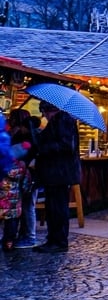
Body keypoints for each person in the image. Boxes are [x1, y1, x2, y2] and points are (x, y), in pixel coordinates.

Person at [33, 102, 80, 253]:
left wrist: (44, 148)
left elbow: (66, 145)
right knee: (53, 207)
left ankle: (58, 241)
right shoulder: (59, 120)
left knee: (57, 207)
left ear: (50, 110)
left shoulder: (63, 120)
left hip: (59, 172)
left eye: (44, 112)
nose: (43, 116)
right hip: (55, 172)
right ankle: (54, 239)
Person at [1, 112, 33, 251]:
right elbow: (24, 178)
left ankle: (11, 239)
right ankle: (9, 241)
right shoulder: (18, 163)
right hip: (13, 196)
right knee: (12, 219)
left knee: (11, 218)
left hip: (6, 193)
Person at [9, 109, 39, 249]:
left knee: (27, 205)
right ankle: (23, 235)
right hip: (20, 175)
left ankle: (29, 236)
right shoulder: (19, 135)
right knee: (23, 205)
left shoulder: (30, 138)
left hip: (28, 176)